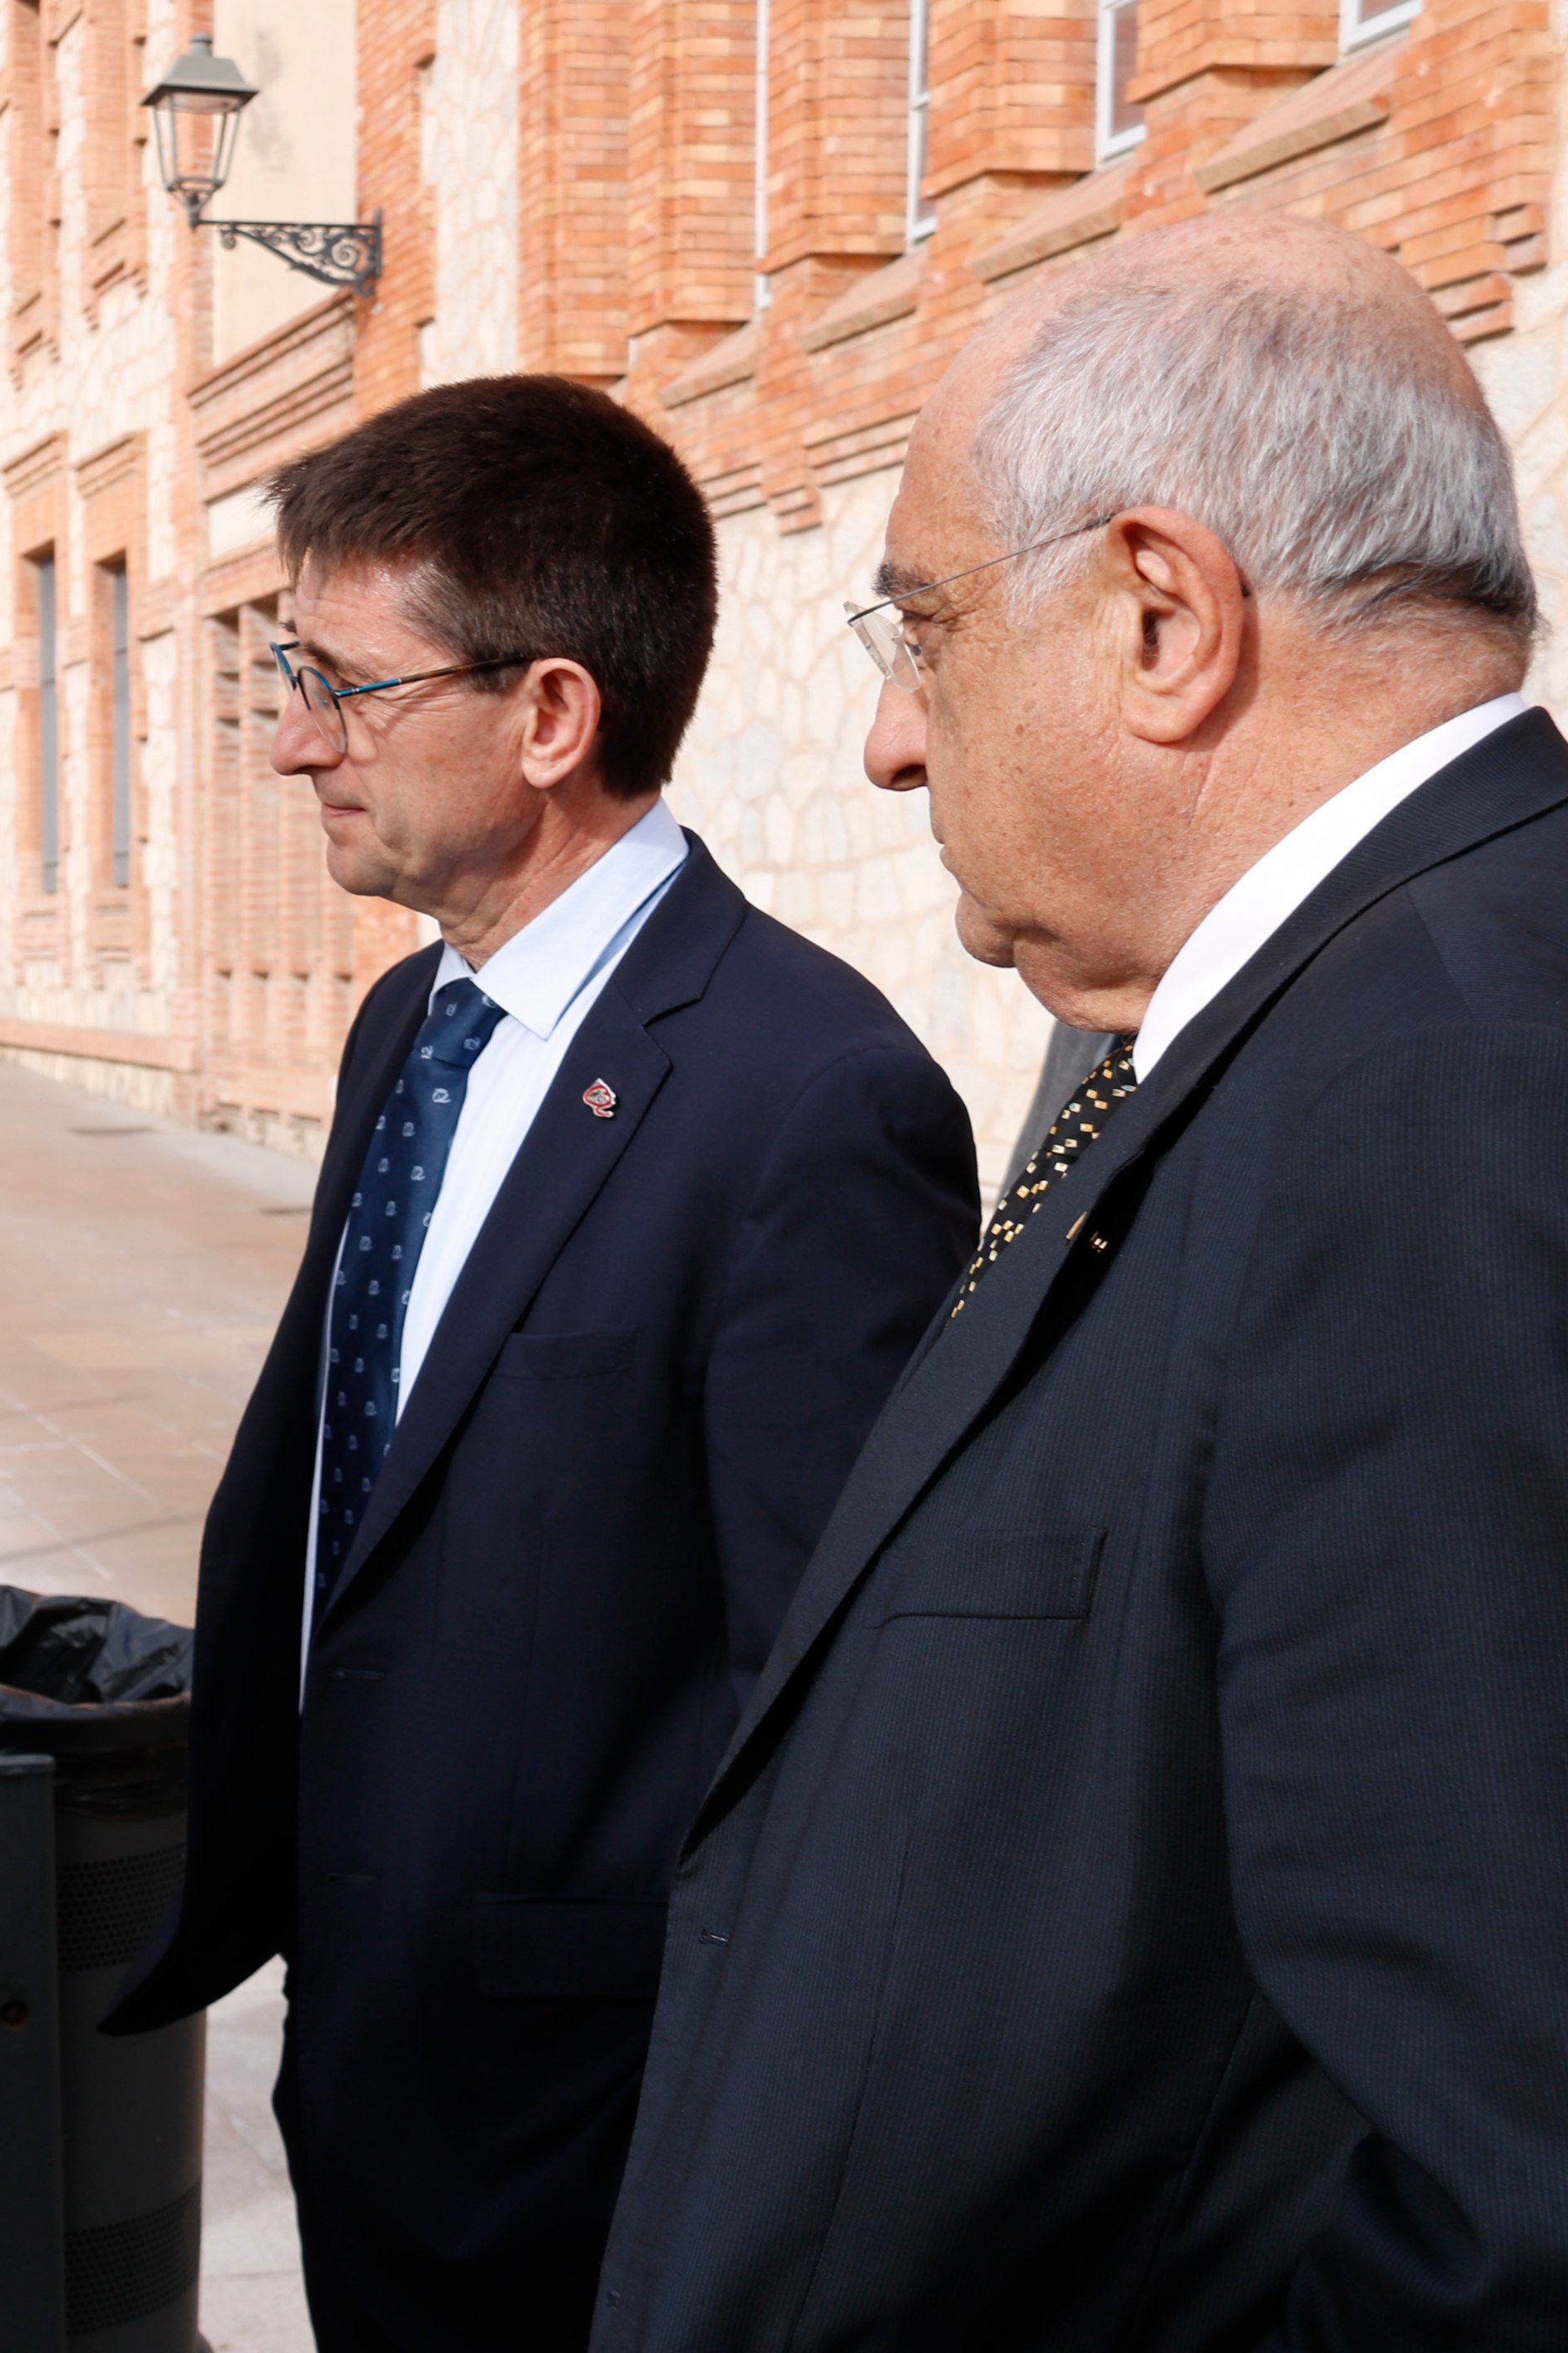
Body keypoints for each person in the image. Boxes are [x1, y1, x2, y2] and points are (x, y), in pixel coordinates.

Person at [592, 213, 1568, 2351]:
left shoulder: (1449, 1090)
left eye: (922, 630)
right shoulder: (1297, 1021)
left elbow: (1508, 2208)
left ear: (1160, 618)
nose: (886, 742)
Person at [102, 376, 977, 2351]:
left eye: (342, 683)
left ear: (551, 712)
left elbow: (829, 1720)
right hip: (372, 2034)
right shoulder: (409, 1021)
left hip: (594, 2133)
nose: (290, 741)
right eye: (282, 670)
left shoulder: (810, 1103)